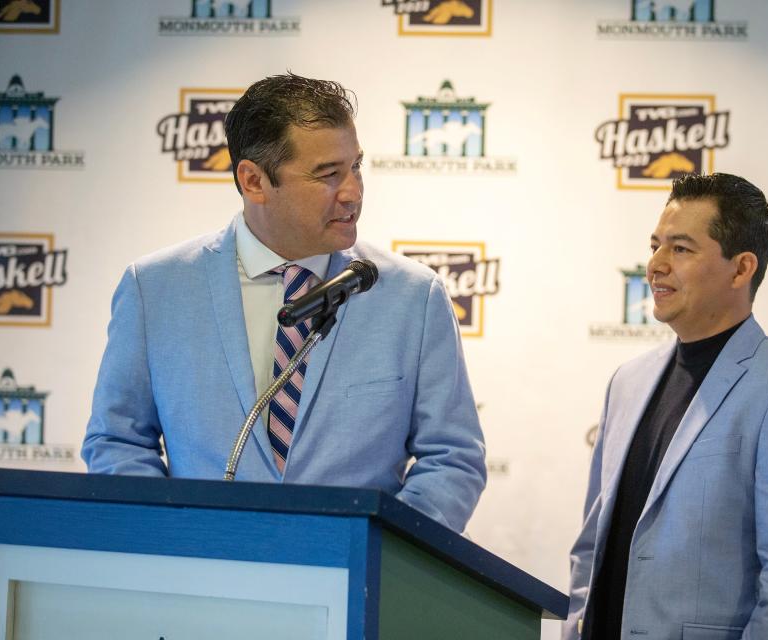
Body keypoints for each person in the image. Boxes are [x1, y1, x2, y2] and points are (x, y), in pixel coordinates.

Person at [82, 73, 486, 533]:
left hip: (357, 582)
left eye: (356, 166)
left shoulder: (412, 296)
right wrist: (173, 538)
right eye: (328, 174)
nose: (353, 191)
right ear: (253, 181)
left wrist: (383, 552)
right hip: (200, 579)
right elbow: (117, 442)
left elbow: (453, 459)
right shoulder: (155, 289)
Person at [563, 173, 768, 639]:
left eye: (680, 249)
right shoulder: (627, 382)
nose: (655, 265)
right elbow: (593, 544)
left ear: (741, 269)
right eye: (655, 245)